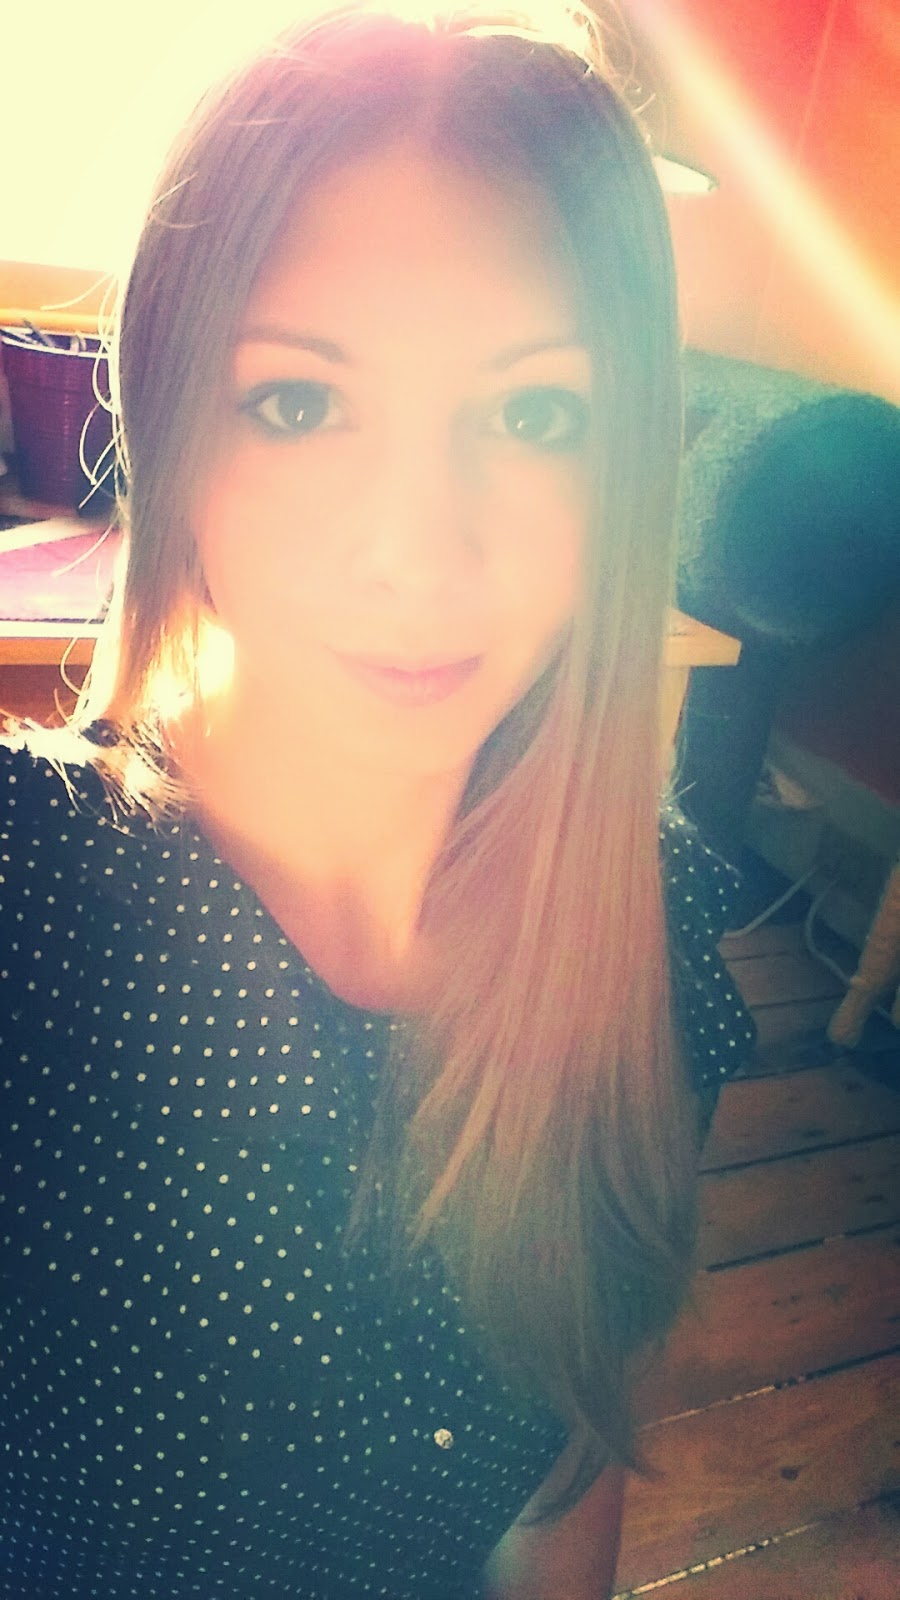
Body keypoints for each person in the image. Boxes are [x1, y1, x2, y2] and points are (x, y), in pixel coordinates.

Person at [0, 3, 756, 1596]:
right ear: (174, 428)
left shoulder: (652, 930)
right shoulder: (27, 902)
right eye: (300, 401)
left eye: (536, 413)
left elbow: (563, 1488)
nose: (420, 551)